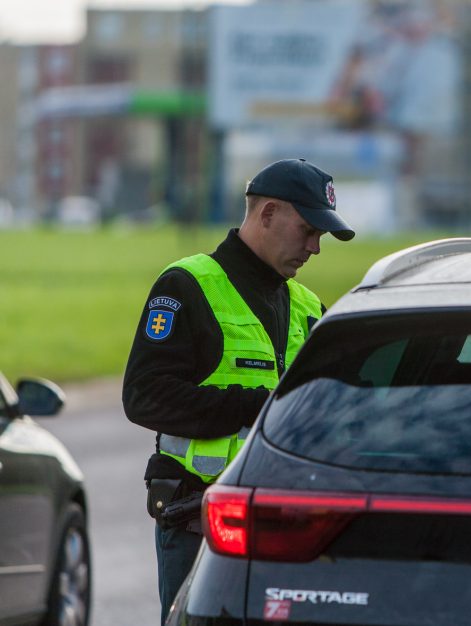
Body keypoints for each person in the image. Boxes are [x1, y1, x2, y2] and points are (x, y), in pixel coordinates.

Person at [123, 158, 355, 622]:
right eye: (308, 229)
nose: (315, 248)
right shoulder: (188, 285)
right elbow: (144, 395)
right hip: (199, 523)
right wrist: (258, 407)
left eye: (321, 236)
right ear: (267, 213)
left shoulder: (310, 308)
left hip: (286, 529)